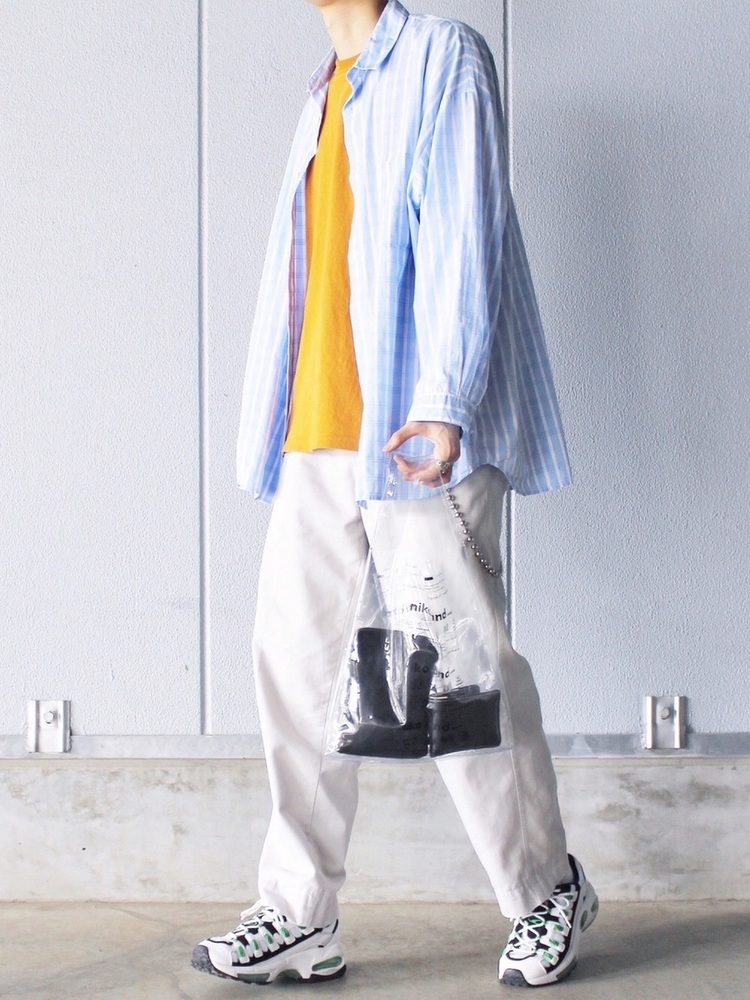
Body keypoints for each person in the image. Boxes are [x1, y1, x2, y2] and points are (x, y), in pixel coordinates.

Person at [192, 0, 597, 989]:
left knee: (456, 681)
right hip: (318, 433)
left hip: (414, 434)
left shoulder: (441, 58)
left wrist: (445, 399)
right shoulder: (323, 93)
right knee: (296, 675)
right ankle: (299, 914)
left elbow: (464, 231)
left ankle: (547, 890)